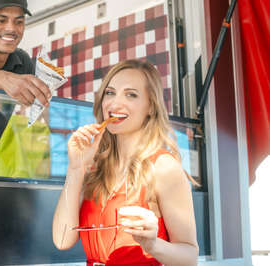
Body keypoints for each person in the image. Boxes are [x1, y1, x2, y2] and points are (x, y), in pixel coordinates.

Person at [52, 59, 199, 266]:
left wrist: (152, 245)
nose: (114, 103)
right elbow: (62, 239)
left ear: (151, 106)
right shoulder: (95, 167)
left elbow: (190, 257)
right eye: (110, 93)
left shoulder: (163, 167)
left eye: (131, 94)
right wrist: (75, 169)